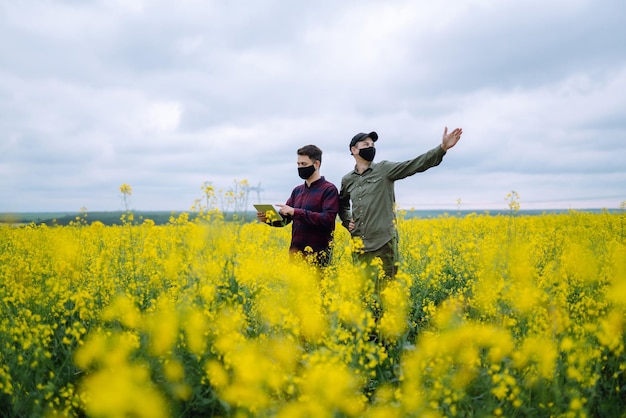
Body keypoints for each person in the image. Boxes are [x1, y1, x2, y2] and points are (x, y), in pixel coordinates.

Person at [339, 127, 463, 290]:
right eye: (366, 144)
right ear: (353, 150)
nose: (371, 147)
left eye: (372, 144)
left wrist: (442, 148)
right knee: (363, 293)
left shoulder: (384, 169)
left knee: (387, 292)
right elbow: (341, 204)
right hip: (359, 245)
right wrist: (347, 221)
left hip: (383, 243)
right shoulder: (347, 179)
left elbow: (414, 165)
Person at [257, 144, 339, 267]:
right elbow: (285, 220)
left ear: (316, 164)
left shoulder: (329, 189)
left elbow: (327, 219)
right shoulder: (297, 191)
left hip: (319, 258)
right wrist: (268, 219)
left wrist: (295, 212)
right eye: (298, 164)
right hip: (296, 256)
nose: (300, 167)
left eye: (304, 164)